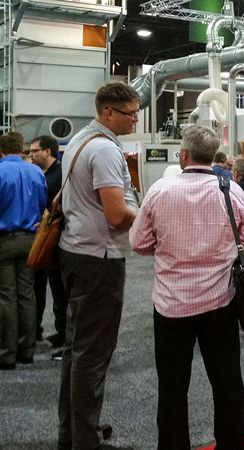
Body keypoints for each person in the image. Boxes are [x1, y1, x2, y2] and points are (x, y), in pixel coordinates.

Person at [130, 125, 244, 450]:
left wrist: (168, 248)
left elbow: (138, 242)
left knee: (172, 387)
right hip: (219, 301)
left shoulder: (160, 190)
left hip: (172, 305)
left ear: (183, 154)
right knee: (227, 382)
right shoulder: (230, 190)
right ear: (212, 155)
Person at [58, 81, 139, 449]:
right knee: (92, 355)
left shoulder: (80, 140)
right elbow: (117, 213)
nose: (135, 120)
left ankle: (74, 434)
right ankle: (86, 440)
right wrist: (150, 215)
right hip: (98, 258)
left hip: (77, 252)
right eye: (130, 114)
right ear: (108, 112)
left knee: (77, 350)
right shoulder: (105, 149)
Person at [0, 131, 47, 371]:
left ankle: (6, 354)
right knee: (27, 294)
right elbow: (42, 205)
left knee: (6, 296)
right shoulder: (36, 172)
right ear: (22, 149)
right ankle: (27, 351)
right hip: (31, 239)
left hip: (4, 240)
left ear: (1, 150)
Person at [29, 135, 69, 352]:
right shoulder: (42, 174)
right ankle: (48, 329)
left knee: (59, 288)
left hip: (57, 238)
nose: (31, 155)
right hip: (44, 236)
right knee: (41, 287)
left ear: (47, 151)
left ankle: (64, 334)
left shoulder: (60, 174)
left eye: (34, 151)